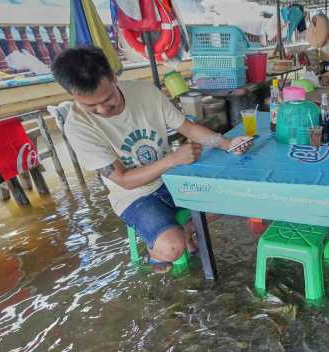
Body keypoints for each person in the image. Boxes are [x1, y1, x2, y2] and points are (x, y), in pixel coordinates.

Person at [51, 47, 252, 271]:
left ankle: (186, 229)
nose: (103, 109)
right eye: (90, 105)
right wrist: (173, 159)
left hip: (170, 179)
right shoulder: (77, 127)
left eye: (108, 98)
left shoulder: (145, 92)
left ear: (113, 76)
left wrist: (227, 144)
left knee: (234, 197)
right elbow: (124, 180)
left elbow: (187, 127)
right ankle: (160, 248)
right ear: (72, 95)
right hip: (134, 196)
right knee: (171, 250)